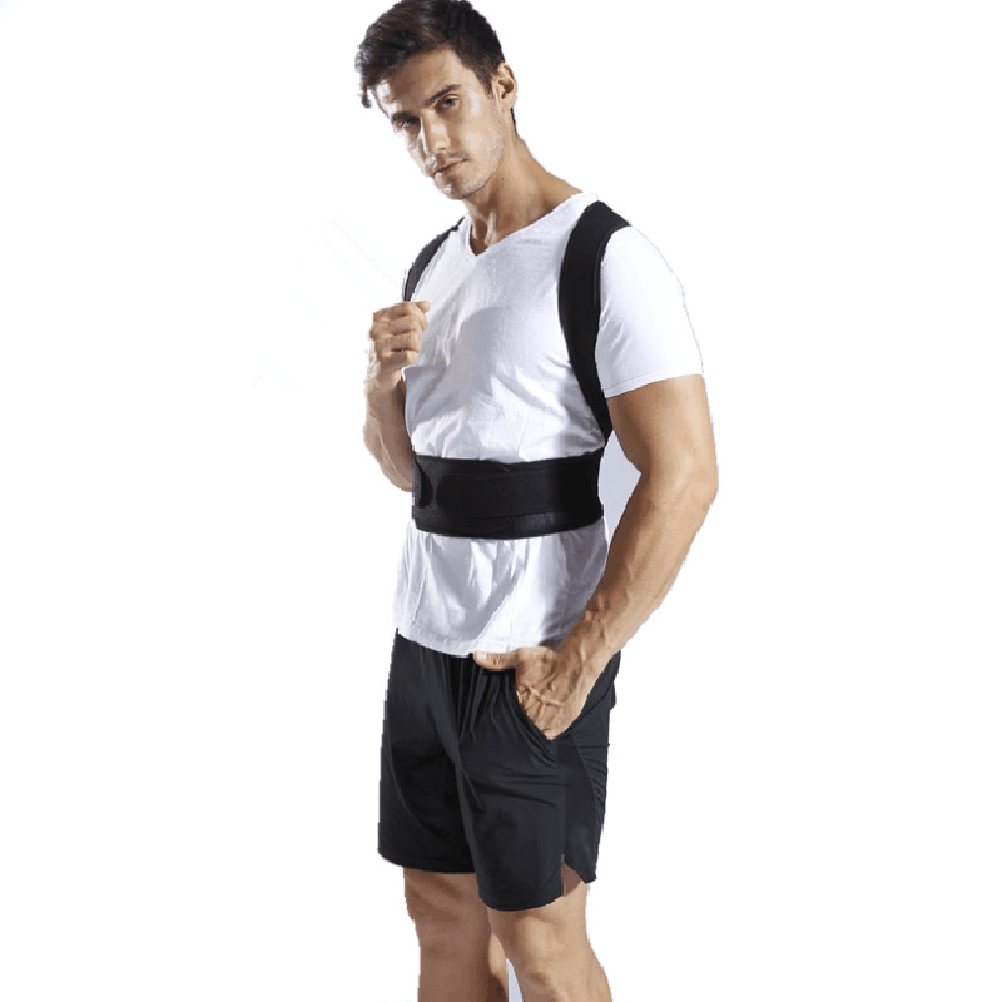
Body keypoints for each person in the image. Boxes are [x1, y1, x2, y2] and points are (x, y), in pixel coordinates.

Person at [356, 3, 718, 999]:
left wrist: (578, 662)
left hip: (528, 656)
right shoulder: (435, 262)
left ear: (503, 86)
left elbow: (687, 474)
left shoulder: (605, 257)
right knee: (440, 914)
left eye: (447, 103)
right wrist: (381, 382)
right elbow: (410, 473)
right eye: (405, 121)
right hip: (424, 643)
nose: (430, 141)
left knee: (543, 945)